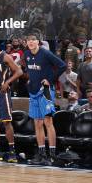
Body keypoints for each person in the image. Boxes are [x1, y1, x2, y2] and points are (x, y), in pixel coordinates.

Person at [23, 33, 66, 166]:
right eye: (28, 40)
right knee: (37, 123)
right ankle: (42, 155)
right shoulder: (26, 54)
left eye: (33, 40)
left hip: (45, 91)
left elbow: (62, 66)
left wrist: (50, 80)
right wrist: (30, 79)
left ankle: (52, 155)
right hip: (33, 92)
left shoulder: (45, 53)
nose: (30, 42)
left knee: (48, 122)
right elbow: (30, 69)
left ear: (38, 42)